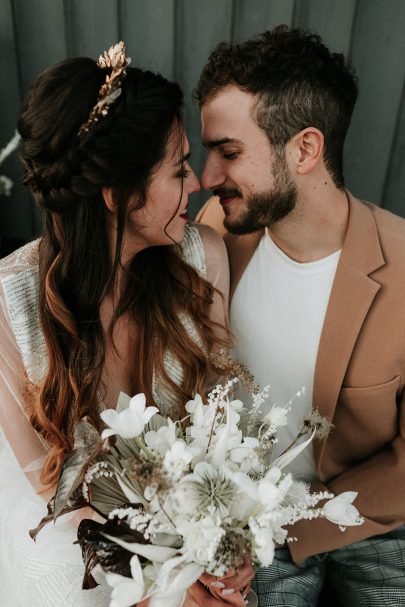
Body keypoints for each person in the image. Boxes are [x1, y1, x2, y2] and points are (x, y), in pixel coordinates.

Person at [0, 42, 253, 606]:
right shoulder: (7, 305)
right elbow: (54, 488)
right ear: (115, 195)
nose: (198, 184)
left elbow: (221, 424)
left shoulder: (202, 259)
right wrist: (168, 583)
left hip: (187, 515)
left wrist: (219, 551)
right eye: (177, 168)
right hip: (77, 531)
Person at [195, 25, 405, 606]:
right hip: (245, 520)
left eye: (229, 152)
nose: (207, 178)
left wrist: (302, 528)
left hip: (376, 520)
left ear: (305, 149)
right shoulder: (216, 233)